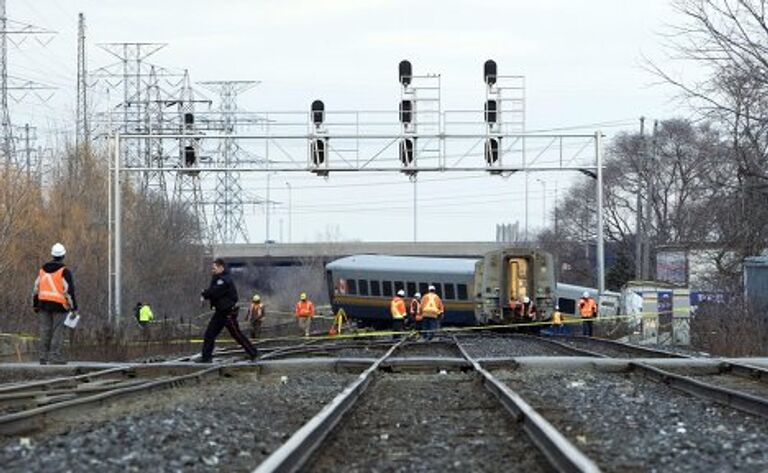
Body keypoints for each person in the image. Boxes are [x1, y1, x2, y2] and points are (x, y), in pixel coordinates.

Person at [199, 258, 258, 363]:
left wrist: (204, 293)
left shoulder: (224, 280)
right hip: (220, 312)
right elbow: (213, 292)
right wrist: (206, 294)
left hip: (228, 313)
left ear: (221, 267)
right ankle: (206, 358)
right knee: (209, 334)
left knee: (237, 335)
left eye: (214, 268)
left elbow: (215, 292)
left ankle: (253, 353)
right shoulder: (218, 278)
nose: (212, 270)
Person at [32, 243, 77, 365]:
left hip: (43, 305)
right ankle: (55, 356)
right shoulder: (64, 271)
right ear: (63, 255)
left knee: (45, 330)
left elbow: (36, 288)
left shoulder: (42, 270)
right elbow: (69, 291)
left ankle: (43, 357)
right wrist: (74, 308)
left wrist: (35, 304)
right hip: (59, 306)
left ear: (52, 254)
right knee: (58, 331)